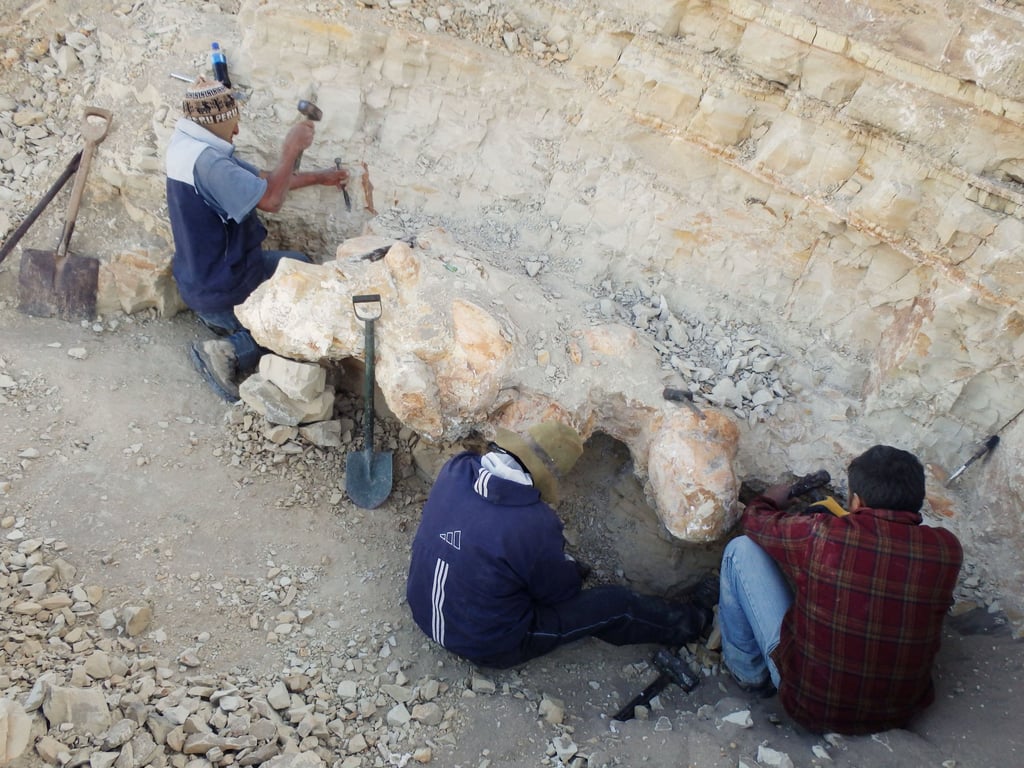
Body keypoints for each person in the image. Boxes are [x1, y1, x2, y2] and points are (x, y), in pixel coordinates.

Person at [406, 421, 717, 669]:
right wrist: (569, 570)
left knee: (509, 568)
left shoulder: (457, 469)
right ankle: (693, 622)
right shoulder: (533, 523)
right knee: (614, 604)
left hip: (423, 610)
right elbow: (560, 594)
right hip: (488, 644)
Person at [718, 444, 963, 735]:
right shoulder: (946, 550)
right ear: (917, 499)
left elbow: (754, 521)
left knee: (739, 551)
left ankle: (749, 674)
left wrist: (770, 498)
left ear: (856, 501)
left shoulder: (822, 535)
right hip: (897, 714)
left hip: (809, 707)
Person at [165, 77, 348, 401]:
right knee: (298, 309)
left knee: (302, 268)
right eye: (233, 124)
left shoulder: (188, 147)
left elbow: (261, 181)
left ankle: (231, 328)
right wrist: (291, 149)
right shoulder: (209, 165)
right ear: (216, 121)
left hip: (204, 278)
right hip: (223, 288)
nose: (236, 132)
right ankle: (228, 349)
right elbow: (271, 201)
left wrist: (320, 177)